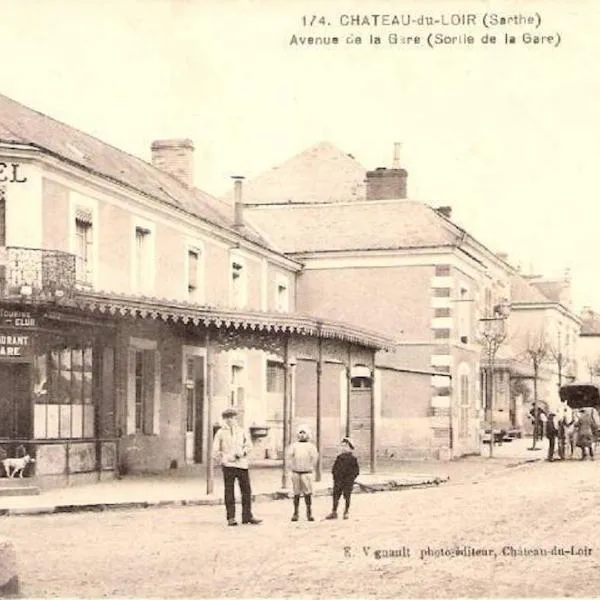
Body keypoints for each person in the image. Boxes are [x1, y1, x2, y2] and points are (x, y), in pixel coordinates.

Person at [212, 408, 262, 526]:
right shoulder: (220, 433)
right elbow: (215, 451)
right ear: (224, 419)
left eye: (233, 417)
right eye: (228, 418)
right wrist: (224, 458)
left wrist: (243, 453)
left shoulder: (241, 431)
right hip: (228, 465)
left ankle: (247, 516)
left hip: (241, 464)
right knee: (229, 491)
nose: (230, 420)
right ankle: (231, 517)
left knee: (246, 490)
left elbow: (248, 446)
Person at [286, 424, 319, 522]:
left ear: (308, 435)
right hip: (296, 472)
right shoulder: (294, 446)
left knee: (307, 493)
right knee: (296, 493)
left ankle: (309, 513)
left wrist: (310, 467)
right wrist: (292, 467)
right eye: (300, 433)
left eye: (304, 433)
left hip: (307, 473)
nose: (302, 435)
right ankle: (295, 513)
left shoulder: (311, 447)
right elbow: (289, 458)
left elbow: (314, 458)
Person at [325, 437, 360, 520]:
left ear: (350, 448)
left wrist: (351, 479)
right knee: (336, 495)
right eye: (342, 446)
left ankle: (346, 511)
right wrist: (335, 476)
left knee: (347, 496)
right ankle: (334, 511)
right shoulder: (339, 458)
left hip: (348, 481)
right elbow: (334, 468)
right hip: (338, 480)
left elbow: (356, 471)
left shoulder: (353, 459)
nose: (343, 448)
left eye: (345, 446)